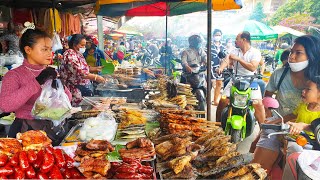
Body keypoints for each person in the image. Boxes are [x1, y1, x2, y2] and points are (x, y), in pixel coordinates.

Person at [252, 35, 320, 174]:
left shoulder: (317, 80)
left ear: (312, 56)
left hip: (307, 136)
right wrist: (269, 118)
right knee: (256, 170)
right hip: (277, 125)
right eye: (291, 52)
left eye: (298, 53)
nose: (292, 57)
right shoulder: (279, 74)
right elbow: (268, 98)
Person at [0, 29, 72, 143]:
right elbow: (6, 105)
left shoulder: (49, 72)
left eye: (50, 49)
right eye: (44, 49)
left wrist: (60, 86)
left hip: (52, 129)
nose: (50, 53)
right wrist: (37, 82)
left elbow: (67, 100)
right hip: (26, 132)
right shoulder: (14, 75)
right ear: (28, 49)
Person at [216, 31, 265, 124]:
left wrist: (238, 59)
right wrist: (221, 68)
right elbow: (227, 60)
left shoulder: (255, 52)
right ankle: (217, 124)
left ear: (244, 40)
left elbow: (252, 67)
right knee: (223, 100)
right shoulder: (234, 51)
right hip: (235, 79)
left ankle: (263, 130)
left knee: (258, 104)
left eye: (237, 39)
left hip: (251, 80)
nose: (235, 41)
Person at [59, 34, 106, 106]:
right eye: (82, 45)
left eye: (84, 45)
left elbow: (84, 68)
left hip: (82, 87)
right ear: (75, 44)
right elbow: (80, 71)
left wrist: (96, 68)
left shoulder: (78, 54)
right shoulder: (70, 54)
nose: (84, 47)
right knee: (77, 110)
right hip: (74, 89)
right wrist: (96, 77)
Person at [181, 35, 207, 111]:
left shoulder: (201, 50)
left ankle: (206, 97)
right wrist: (187, 67)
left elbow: (205, 57)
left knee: (208, 84)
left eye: (200, 42)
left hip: (198, 73)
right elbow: (184, 61)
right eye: (198, 42)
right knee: (182, 90)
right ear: (193, 43)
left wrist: (206, 62)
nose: (199, 44)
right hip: (188, 74)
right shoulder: (186, 52)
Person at [211, 29, 227, 105]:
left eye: (219, 35)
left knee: (219, 84)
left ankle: (215, 100)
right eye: (216, 35)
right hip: (211, 67)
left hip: (220, 67)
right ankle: (207, 99)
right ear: (213, 35)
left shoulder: (223, 47)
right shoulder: (209, 46)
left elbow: (226, 57)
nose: (217, 36)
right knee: (211, 84)